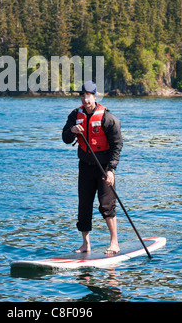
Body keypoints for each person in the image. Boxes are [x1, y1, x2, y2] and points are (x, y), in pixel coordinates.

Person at [62, 81, 123, 254]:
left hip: (104, 167)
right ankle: (85, 244)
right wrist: (72, 130)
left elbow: (117, 145)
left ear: (94, 97)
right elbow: (65, 138)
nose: (85, 99)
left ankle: (114, 242)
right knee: (84, 204)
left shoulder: (107, 118)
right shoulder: (75, 115)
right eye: (82, 96)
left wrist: (111, 170)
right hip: (85, 166)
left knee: (106, 205)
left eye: (88, 96)